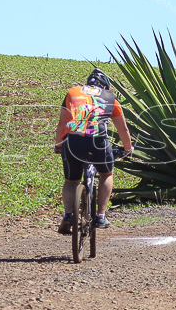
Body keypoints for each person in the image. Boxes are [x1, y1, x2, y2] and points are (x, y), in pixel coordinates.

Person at [53, 68, 134, 234]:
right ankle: (100, 215)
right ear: (105, 86)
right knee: (106, 174)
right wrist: (127, 148)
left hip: (73, 141)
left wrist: (59, 145)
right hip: (98, 142)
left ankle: (68, 215)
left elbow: (62, 124)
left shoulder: (73, 91)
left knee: (71, 181)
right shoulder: (111, 97)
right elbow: (123, 129)